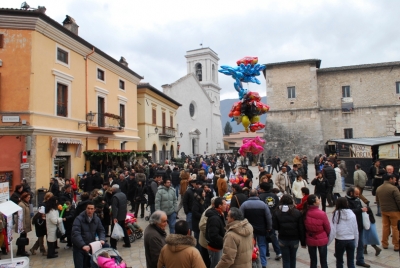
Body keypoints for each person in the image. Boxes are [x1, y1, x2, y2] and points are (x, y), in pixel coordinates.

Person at [240, 189, 272, 268]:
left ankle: (252, 261)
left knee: (251, 246)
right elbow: (268, 217)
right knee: (262, 245)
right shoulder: (263, 204)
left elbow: (240, 217)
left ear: (249, 195)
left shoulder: (244, 205)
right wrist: (269, 227)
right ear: (257, 195)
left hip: (249, 230)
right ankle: (263, 263)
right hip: (261, 229)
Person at [272, 194, 305, 268]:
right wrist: (303, 241)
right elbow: (301, 228)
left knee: (286, 260)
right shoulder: (297, 212)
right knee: (293, 258)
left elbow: (275, 227)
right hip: (294, 239)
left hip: (283, 238)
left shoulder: (277, 212)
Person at [72, 201, 106, 268]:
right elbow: (75, 233)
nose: (90, 210)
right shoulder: (79, 219)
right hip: (79, 248)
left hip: (90, 247)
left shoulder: (96, 219)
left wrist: (102, 239)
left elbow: (101, 230)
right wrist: (82, 245)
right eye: (88, 208)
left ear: (94, 209)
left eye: (91, 209)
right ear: (86, 208)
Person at [329, 197, 359, 268]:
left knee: (339, 261)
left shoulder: (335, 214)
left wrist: (328, 242)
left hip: (340, 240)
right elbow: (356, 229)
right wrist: (356, 243)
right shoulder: (352, 214)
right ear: (346, 203)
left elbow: (332, 230)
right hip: (351, 240)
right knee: (351, 261)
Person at [375, 167, 400, 252]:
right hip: (394, 211)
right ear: (390, 179)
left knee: (385, 227)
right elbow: (399, 200)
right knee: (395, 227)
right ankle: (396, 245)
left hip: (384, 211)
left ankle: (384, 243)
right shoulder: (394, 188)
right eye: (394, 179)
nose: (395, 181)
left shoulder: (379, 188)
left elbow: (377, 200)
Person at [303, 195, 330, 268]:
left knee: (313, 260)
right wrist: (326, 235)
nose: (319, 200)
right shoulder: (322, 213)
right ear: (314, 203)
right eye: (318, 200)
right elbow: (327, 227)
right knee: (323, 261)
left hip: (310, 238)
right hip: (321, 237)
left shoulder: (305, 212)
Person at [346, 187, 370, 267]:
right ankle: (339, 253)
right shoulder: (346, 201)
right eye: (356, 193)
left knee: (360, 243)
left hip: (359, 225)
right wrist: (360, 210)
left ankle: (360, 260)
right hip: (351, 226)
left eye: (358, 193)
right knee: (349, 244)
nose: (358, 195)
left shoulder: (357, 199)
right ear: (351, 193)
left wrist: (366, 209)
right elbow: (348, 212)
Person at [205, 197, 227, 268]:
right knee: (215, 265)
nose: (226, 206)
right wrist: (224, 240)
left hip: (218, 246)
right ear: (220, 206)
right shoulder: (215, 218)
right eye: (225, 204)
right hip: (215, 247)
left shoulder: (219, 214)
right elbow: (213, 235)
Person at [110, 184, 130, 249]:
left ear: (114, 189)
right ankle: (127, 243)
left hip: (117, 216)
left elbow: (115, 208)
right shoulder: (123, 194)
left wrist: (114, 217)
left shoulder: (115, 197)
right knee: (123, 228)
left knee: (114, 231)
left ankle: (113, 246)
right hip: (123, 215)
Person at [16, 192, 32, 257]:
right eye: (28, 197)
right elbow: (21, 217)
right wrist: (23, 226)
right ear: (24, 198)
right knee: (22, 238)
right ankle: (21, 251)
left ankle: (20, 250)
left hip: (25, 224)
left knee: (23, 237)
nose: (29, 198)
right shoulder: (21, 205)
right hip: (23, 225)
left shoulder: (25, 204)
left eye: (29, 197)